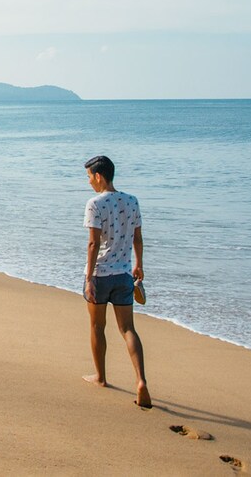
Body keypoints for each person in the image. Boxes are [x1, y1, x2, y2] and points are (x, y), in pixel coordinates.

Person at [81, 155, 151, 409]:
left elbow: (93, 243)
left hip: (100, 274)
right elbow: (138, 238)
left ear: (99, 176)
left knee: (97, 326)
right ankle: (141, 380)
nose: (89, 182)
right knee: (128, 329)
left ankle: (100, 377)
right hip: (123, 274)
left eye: (89, 177)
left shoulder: (95, 203)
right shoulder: (132, 201)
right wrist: (139, 265)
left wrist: (88, 278)